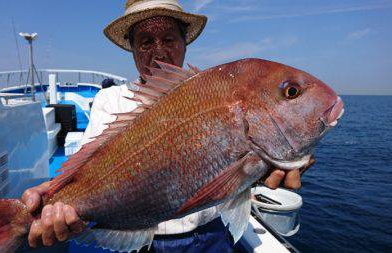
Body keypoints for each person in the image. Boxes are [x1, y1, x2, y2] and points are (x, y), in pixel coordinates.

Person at [22, 0, 310, 251]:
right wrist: (55, 194)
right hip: (140, 243)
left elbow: (232, 174)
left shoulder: (210, 93)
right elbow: (88, 172)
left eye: (169, 40)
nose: (158, 52)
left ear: (185, 44)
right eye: (145, 42)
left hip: (209, 237)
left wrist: (258, 173)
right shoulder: (110, 100)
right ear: (133, 49)